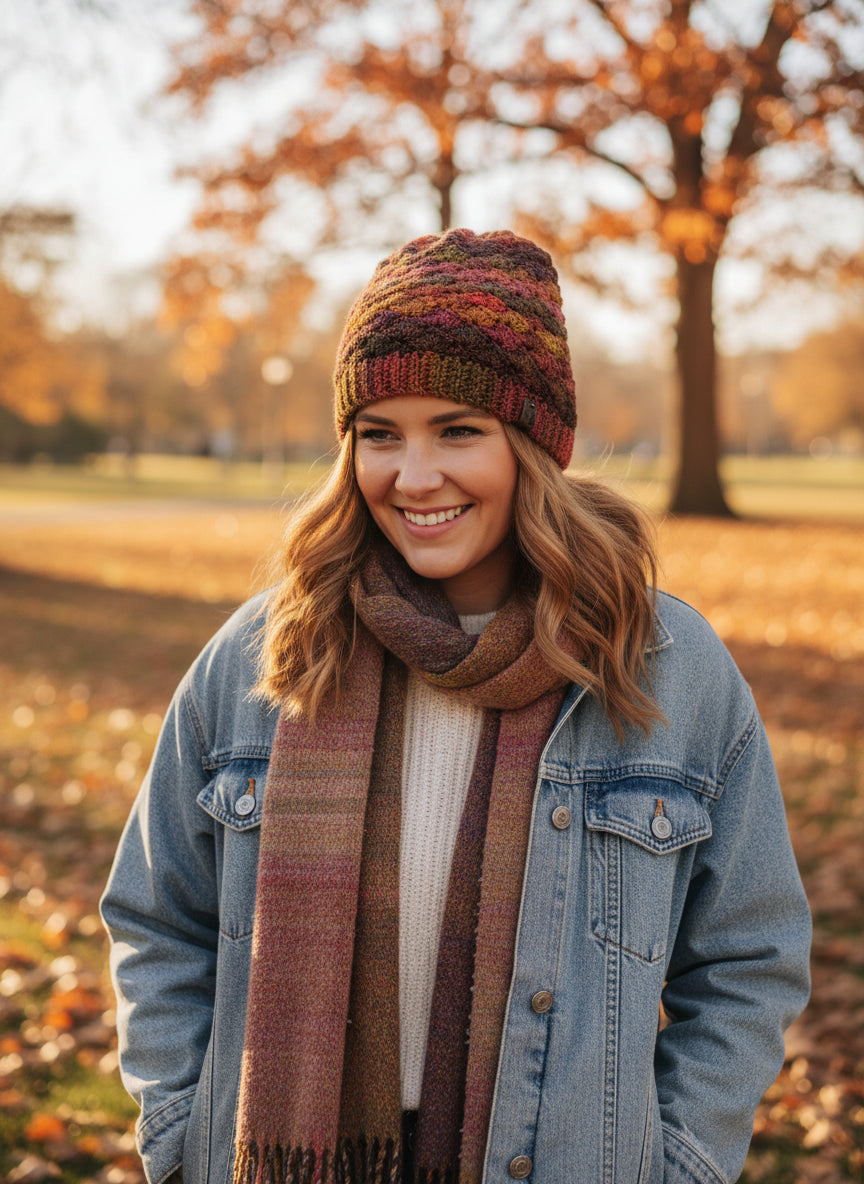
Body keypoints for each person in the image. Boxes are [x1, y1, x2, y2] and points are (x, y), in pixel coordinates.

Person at [100, 228, 811, 1184]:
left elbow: (748, 959)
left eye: (458, 430)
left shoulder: (666, 669)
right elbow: (157, 919)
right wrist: (181, 1132)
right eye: (379, 434)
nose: (414, 476)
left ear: (532, 445)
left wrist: (680, 1160)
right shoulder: (261, 659)